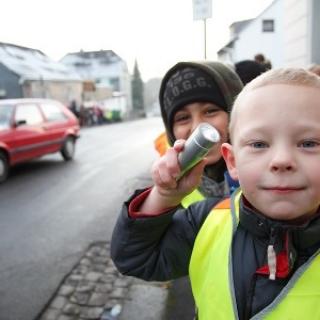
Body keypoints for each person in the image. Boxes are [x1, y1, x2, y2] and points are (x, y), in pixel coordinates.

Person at [111, 67, 320, 319]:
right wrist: (164, 197)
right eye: (259, 144)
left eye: (309, 143)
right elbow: (136, 258)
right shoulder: (208, 218)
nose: (282, 160)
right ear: (232, 160)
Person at [152, 61, 243, 208]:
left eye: (210, 111)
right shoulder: (167, 184)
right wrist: (163, 197)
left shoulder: (270, 172)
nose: (197, 127)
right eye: (183, 118)